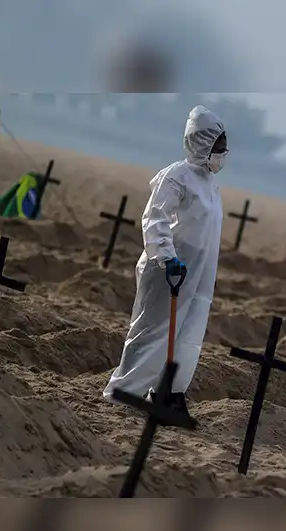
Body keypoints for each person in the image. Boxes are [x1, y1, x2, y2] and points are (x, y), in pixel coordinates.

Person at [103, 105, 228, 419]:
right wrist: (167, 258)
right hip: (169, 272)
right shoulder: (176, 176)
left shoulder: (211, 186)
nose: (223, 154)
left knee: (187, 341)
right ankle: (122, 392)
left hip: (198, 279)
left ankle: (168, 394)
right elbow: (155, 218)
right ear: (203, 144)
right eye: (219, 147)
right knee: (152, 333)